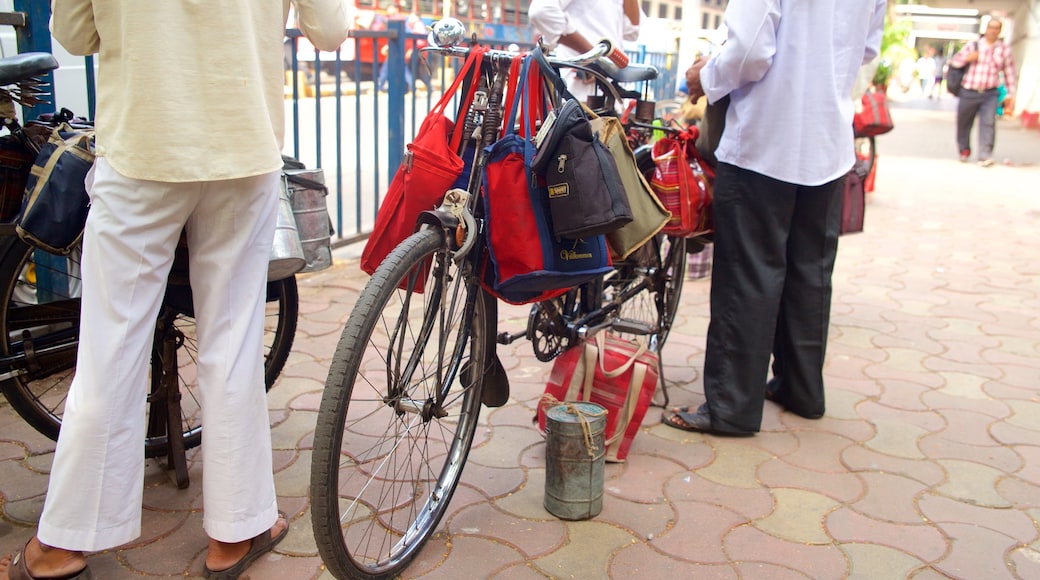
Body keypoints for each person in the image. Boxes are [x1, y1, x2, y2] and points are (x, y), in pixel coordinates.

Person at [0, 2, 348, 580]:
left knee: (111, 345)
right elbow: (330, 31)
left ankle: (64, 543)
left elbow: (74, 33)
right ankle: (237, 531)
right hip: (241, 147)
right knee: (232, 341)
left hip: (143, 145)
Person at [661, 0, 886, 436]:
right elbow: (865, 51)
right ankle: (800, 389)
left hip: (765, 139)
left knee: (749, 273)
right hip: (828, 140)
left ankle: (731, 407)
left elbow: (749, 53)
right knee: (810, 271)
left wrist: (704, 75)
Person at [528, 0, 644, 104]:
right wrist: (595, 59)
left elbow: (632, 31)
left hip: (607, 97)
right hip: (577, 96)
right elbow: (541, 12)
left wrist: (601, 64)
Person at [948, 17, 1017, 166]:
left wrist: (1011, 94)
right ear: (986, 29)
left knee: (988, 123)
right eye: (990, 27)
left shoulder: (1003, 50)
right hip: (968, 91)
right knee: (964, 123)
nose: (993, 30)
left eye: (996, 28)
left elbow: (1009, 72)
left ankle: (984, 155)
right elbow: (954, 62)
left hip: (990, 93)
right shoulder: (973, 46)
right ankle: (964, 150)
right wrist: (968, 58)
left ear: (999, 30)